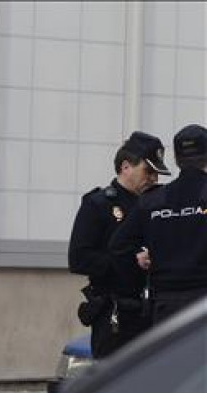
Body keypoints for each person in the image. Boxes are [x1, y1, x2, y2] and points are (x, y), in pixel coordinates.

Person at [68, 131, 169, 359]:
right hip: (115, 311)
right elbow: (79, 258)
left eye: (156, 174)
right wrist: (130, 260)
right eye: (148, 171)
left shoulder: (157, 205)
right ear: (126, 167)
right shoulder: (99, 205)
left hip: (151, 310)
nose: (153, 179)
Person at [111, 124, 207, 324]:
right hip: (202, 304)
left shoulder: (153, 200)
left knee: (170, 356)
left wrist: (142, 262)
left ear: (176, 160)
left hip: (165, 307)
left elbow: (118, 246)